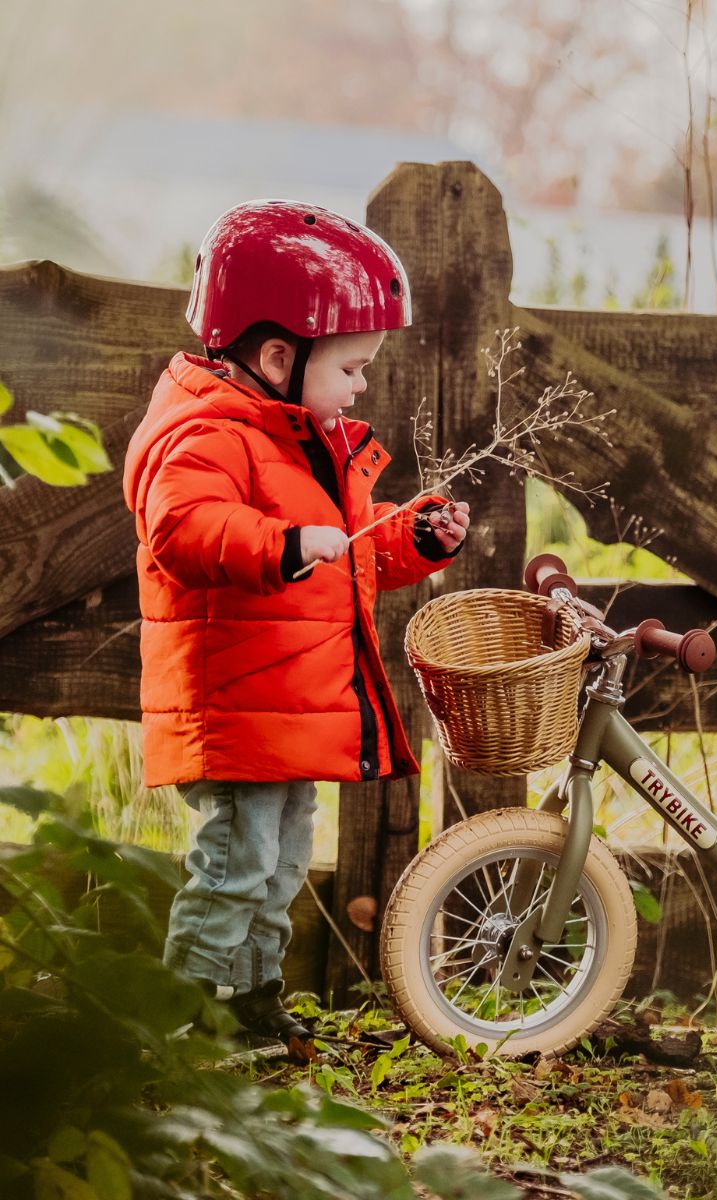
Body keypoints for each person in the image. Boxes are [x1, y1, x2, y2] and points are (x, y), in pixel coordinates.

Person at [122, 200, 469, 1058]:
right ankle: (183, 1024)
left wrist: (412, 537)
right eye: (351, 368)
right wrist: (278, 545)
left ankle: (252, 1002)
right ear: (279, 355)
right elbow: (185, 530)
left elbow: (343, 551)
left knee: (276, 875)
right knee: (231, 870)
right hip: (238, 711)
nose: (360, 387)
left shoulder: (302, 439)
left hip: (290, 713)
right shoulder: (206, 434)